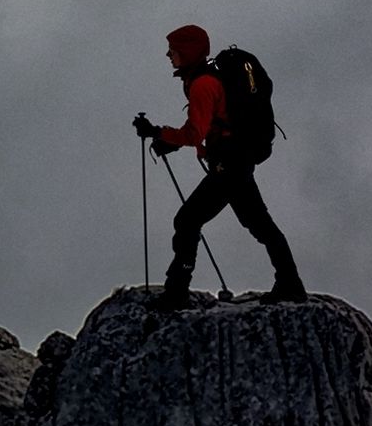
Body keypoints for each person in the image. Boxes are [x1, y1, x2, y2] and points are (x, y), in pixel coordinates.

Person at [132, 22, 308, 306]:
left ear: (187, 52)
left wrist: (158, 133)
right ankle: (291, 283)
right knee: (259, 225)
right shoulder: (208, 77)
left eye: (172, 50)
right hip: (237, 160)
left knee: (188, 220)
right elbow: (210, 126)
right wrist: (167, 140)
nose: (168, 55)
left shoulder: (203, 84)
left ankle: (176, 291)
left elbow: (194, 133)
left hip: (228, 165)